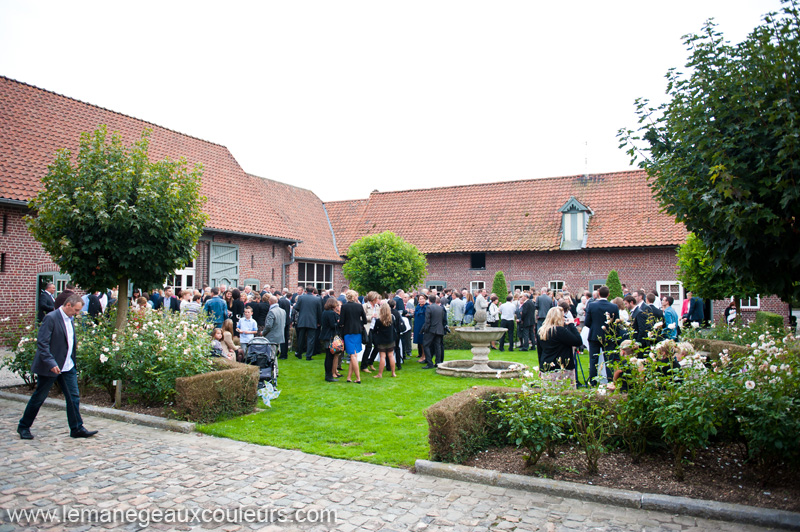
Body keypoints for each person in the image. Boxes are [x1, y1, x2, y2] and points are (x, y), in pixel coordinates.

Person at [17, 294, 98, 440]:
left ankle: (77, 428)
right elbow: (42, 343)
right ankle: (24, 426)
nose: (77, 313)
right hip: (51, 366)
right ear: (68, 305)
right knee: (39, 397)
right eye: (76, 310)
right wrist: (51, 362)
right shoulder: (51, 318)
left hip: (68, 366)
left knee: (73, 398)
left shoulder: (70, 318)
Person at [584, 285, 620, 384]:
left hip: (595, 335)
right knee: (609, 360)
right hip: (608, 335)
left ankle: (593, 381)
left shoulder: (592, 305)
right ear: (608, 295)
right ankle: (610, 381)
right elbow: (616, 323)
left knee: (593, 359)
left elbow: (587, 322)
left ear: (599, 294)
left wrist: (594, 326)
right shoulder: (614, 306)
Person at [537, 306, 583, 378]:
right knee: (564, 388)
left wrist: (541, 367)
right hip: (561, 367)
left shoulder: (542, 331)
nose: (564, 319)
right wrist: (571, 325)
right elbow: (578, 341)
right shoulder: (559, 331)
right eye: (563, 316)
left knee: (548, 388)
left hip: (546, 365)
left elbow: (540, 351)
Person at [339, 290, 367, 383]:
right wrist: (359, 324)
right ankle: (349, 377)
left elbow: (342, 321)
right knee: (353, 354)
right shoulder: (359, 306)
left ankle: (358, 378)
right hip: (358, 331)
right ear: (355, 297)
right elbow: (365, 320)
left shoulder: (344, 307)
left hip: (348, 331)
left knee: (352, 355)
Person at [293, 285, 322, 360]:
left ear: (305, 291)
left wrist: (302, 311)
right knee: (311, 339)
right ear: (313, 291)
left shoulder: (301, 297)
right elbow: (319, 311)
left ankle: (299, 353)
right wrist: (319, 322)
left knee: (301, 338)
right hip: (312, 321)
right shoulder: (317, 299)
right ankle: (308, 355)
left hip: (302, 320)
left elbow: (296, 307)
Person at [371, 302, 399, 378]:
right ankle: (393, 373)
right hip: (390, 339)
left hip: (381, 339)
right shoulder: (392, 318)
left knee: (382, 356)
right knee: (391, 355)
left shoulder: (379, 320)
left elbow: (374, 330)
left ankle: (380, 374)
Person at [319, 297, 341, 382]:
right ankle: (328, 375)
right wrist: (338, 323)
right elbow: (333, 325)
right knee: (329, 357)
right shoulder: (331, 313)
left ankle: (328, 375)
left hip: (325, 335)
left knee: (328, 356)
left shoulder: (325, 312)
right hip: (330, 336)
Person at [421, 295, 446, 369]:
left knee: (426, 345)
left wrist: (425, 329)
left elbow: (427, 321)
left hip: (431, 329)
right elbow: (442, 319)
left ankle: (429, 363)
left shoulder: (429, 307)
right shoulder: (440, 308)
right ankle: (438, 362)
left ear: (429, 300)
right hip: (439, 329)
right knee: (437, 346)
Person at [263, 295, 286, 361]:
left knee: (272, 356)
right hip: (280, 335)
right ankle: (274, 369)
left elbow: (268, 326)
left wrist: (263, 333)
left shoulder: (271, 312)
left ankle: (274, 369)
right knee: (275, 354)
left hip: (272, 337)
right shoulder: (283, 311)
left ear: (269, 302)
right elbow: (283, 324)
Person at [413, 294, 429, 363]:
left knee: (424, 341)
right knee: (420, 342)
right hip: (417, 326)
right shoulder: (417, 307)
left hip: (424, 325)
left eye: (423, 299)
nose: (421, 300)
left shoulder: (427, 306)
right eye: (420, 299)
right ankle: (422, 354)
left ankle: (424, 355)